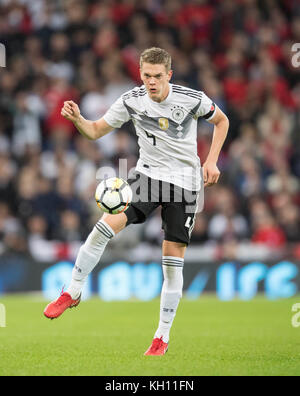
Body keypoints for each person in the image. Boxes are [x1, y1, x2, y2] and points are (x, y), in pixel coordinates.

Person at [43, 47, 229, 356]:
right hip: (147, 177)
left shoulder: (191, 98)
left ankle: (162, 337)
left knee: (171, 262)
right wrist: (78, 119)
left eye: (157, 76)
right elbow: (95, 130)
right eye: (146, 76)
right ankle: (73, 290)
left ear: (168, 75)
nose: (152, 83)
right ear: (140, 74)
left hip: (184, 184)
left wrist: (211, 161)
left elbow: (222, 121)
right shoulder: (131, 100)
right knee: (103, 226)